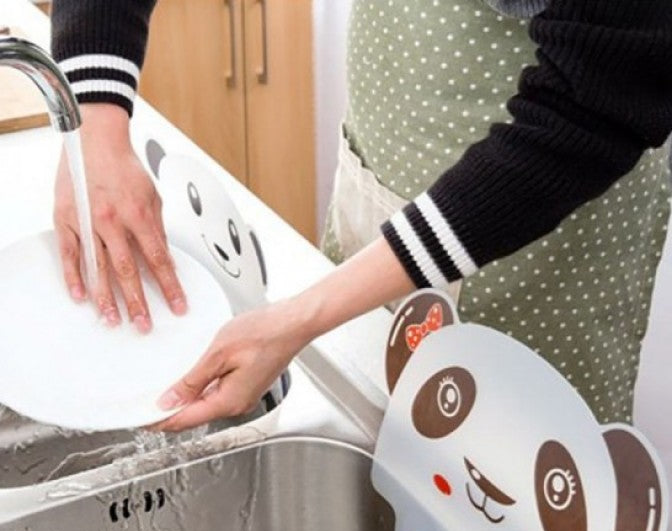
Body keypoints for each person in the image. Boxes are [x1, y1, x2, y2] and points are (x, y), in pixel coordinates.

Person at [50, 1, 672, 432]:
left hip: (543, 224)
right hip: (386, 162)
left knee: (508, 505)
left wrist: (305, 315)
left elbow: (595, 95)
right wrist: (94, 113)